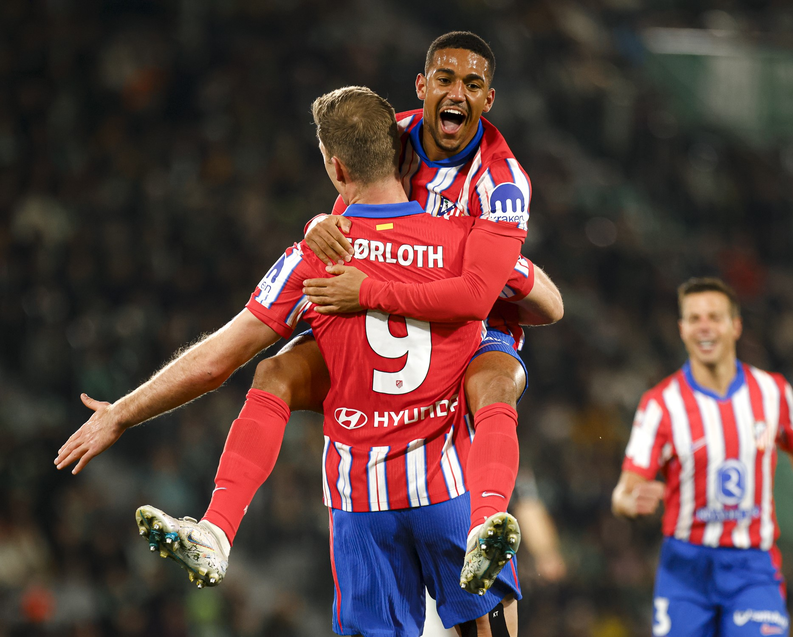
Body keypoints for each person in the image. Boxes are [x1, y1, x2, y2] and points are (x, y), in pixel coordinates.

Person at [55, 29, 563, 607]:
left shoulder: (500, 183)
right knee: (276, 371)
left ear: (488, 98)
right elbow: (375, 207)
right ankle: (218, 531)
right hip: (395, 309)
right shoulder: (390, 140)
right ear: (421, 88)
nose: (457, 93)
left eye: (473, 84)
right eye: (445, 80)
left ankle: (484, 523)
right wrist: (327, 228)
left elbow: (495, 297)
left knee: (494, 374)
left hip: (463, 317)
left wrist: (369, 283)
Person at [611, 277, 793, 637]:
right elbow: (623, 492)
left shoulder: (772, 392)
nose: (704, 326)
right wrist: (630, 501)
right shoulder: (660, 405)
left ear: (735, 326)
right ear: (681, 329)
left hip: (753, 566)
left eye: (714, 317)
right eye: (694, 318)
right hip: (685, 570)